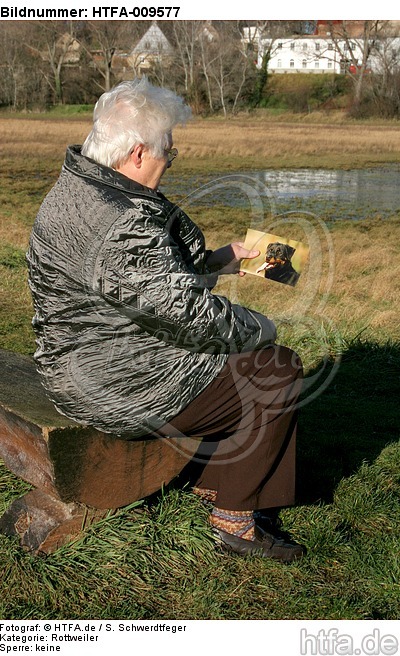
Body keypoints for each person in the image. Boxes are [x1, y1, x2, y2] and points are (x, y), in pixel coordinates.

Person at [27, 78, 305, 562]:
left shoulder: (76, 187)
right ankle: (235, 521)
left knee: (245, 363)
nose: (169, 163)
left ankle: (213, 481)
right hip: (114, 382)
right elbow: (183, 313)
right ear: (137, 153)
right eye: (168, 155)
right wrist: (261, 328)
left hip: (73, 365)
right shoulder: (121, 220)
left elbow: (137, 286)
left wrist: (219, 262)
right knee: (277, 369)